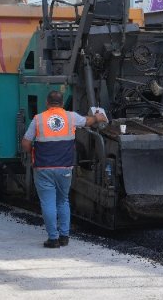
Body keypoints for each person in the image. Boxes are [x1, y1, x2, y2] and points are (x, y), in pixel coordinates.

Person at [20, 91, 106, 248]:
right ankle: (64, 237)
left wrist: (32, 152)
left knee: (48, 202)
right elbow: (87, 121)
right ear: (61, 103)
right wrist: (98, 117)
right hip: (65, 168)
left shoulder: (38, 119)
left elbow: (25, 143)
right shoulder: (70, 117)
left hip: (43, 168)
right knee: (63, 200)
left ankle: (53, 239)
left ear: (47, 103)